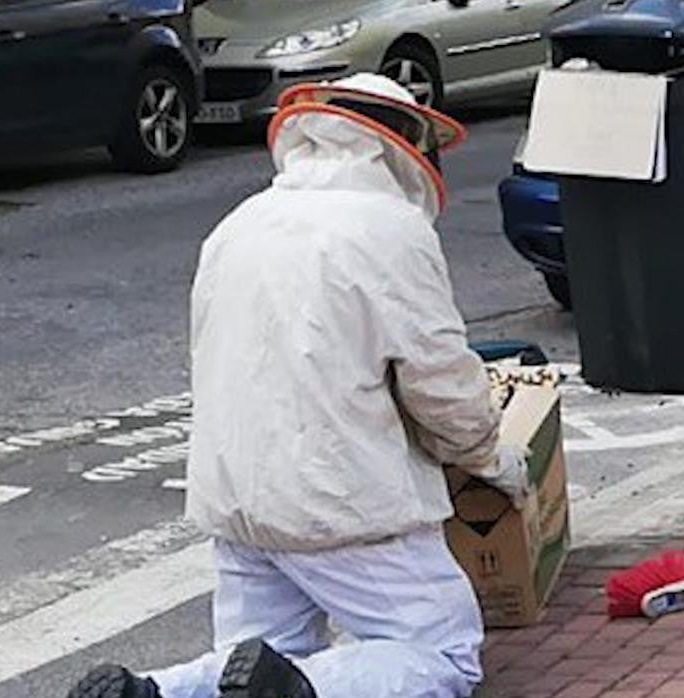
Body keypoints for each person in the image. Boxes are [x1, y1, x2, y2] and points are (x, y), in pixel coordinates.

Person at [68, 73, 531, 698]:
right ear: (399, 147)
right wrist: (492, 460)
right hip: (342, 502)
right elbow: (442, 388)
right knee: (441, 657)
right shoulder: (390, 229)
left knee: (262, 659)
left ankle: (151, 691)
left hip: (237, 500)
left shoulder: (239, 224)